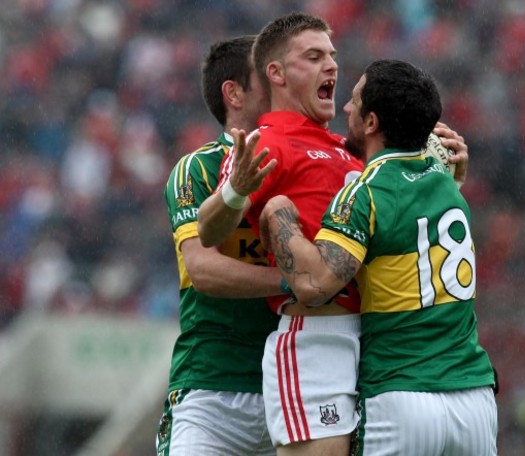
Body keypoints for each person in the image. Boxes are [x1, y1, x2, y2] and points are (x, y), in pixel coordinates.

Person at [198, 13, 471, 456]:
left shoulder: (349, 149)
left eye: (332, 56)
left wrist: (447, 181)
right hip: (317, 342)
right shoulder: (267, 142)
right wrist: (234, 192)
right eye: (314, 56)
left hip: (378, 346)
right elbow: (210, 231)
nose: (332, 66)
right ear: (277, 73)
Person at [259, 59, 498, 455]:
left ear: (371, 123)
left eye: (354, 103)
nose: (346, 110)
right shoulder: (448, 185)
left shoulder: (365, 192)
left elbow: (314, 285)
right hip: (474, 399)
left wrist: (278, 213)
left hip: (403, 395)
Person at [156, 36, 283, 456]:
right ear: (233, 93)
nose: (281, 82)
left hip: (294, 390)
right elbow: (203, 270)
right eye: (267, 75)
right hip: (211, 390)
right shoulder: (197, 169)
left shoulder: (304, 164)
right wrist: (294, 281)